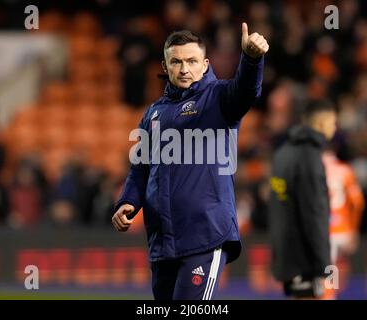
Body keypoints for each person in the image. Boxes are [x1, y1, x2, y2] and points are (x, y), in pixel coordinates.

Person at [112, 23, 269, 300]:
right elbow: (141, 168)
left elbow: (246, 91)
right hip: (163, 242)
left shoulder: (219, 98)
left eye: (191, 61)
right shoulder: (153, 114)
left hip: (205, 236)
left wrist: (252, 59)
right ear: (165, 65)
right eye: (176, 61)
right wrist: (128, 201)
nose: (184, 68)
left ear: (205, 63)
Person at [268, 100, 337, 299]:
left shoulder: (283, 153)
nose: (335, 128)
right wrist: (324, 268)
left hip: (286, 257)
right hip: (306, 261)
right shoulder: (310, 157)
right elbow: (314, 215)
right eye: (333, 123)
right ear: (323, 123)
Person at [322, 148, 365, 299]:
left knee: (328, 266)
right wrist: (354, 228)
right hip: (344, 227)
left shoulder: (313, 169)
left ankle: (330, 295)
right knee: (338, 264)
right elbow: (358, 202)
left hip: (323, 228)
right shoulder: (345, 169)